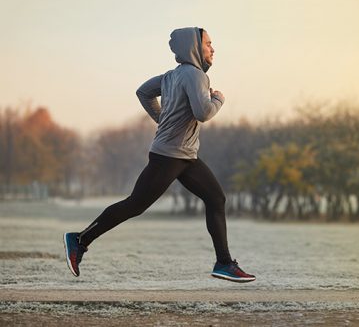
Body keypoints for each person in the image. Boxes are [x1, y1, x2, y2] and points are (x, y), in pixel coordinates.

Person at [63, 27, 255, 283]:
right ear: (195, 47)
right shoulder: (196, 76)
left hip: (185, 156)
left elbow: (143, 91)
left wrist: (161, 118)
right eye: (209, 43)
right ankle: (79, 240)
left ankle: (224, 263)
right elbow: (203, 113)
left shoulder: (172, 76)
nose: (213, 49)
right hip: (170, 156)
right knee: (135, 204)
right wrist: (218, 99)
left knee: (216, 199)